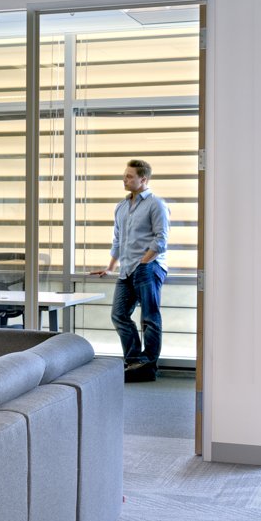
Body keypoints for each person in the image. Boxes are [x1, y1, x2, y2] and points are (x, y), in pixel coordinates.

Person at [89, 158, 169, 383]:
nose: (124, 179)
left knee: (150, 318)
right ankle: (135, 361)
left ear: (143, 179)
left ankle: (148, 365)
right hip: (126, 270)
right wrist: (110, 267)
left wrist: (144, 263)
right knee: (119, 315)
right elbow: (118, 240)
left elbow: (161, 240)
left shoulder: (156, 204)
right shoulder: (121, 206)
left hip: (148, 267)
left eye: (129, 176)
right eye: (124, 175)